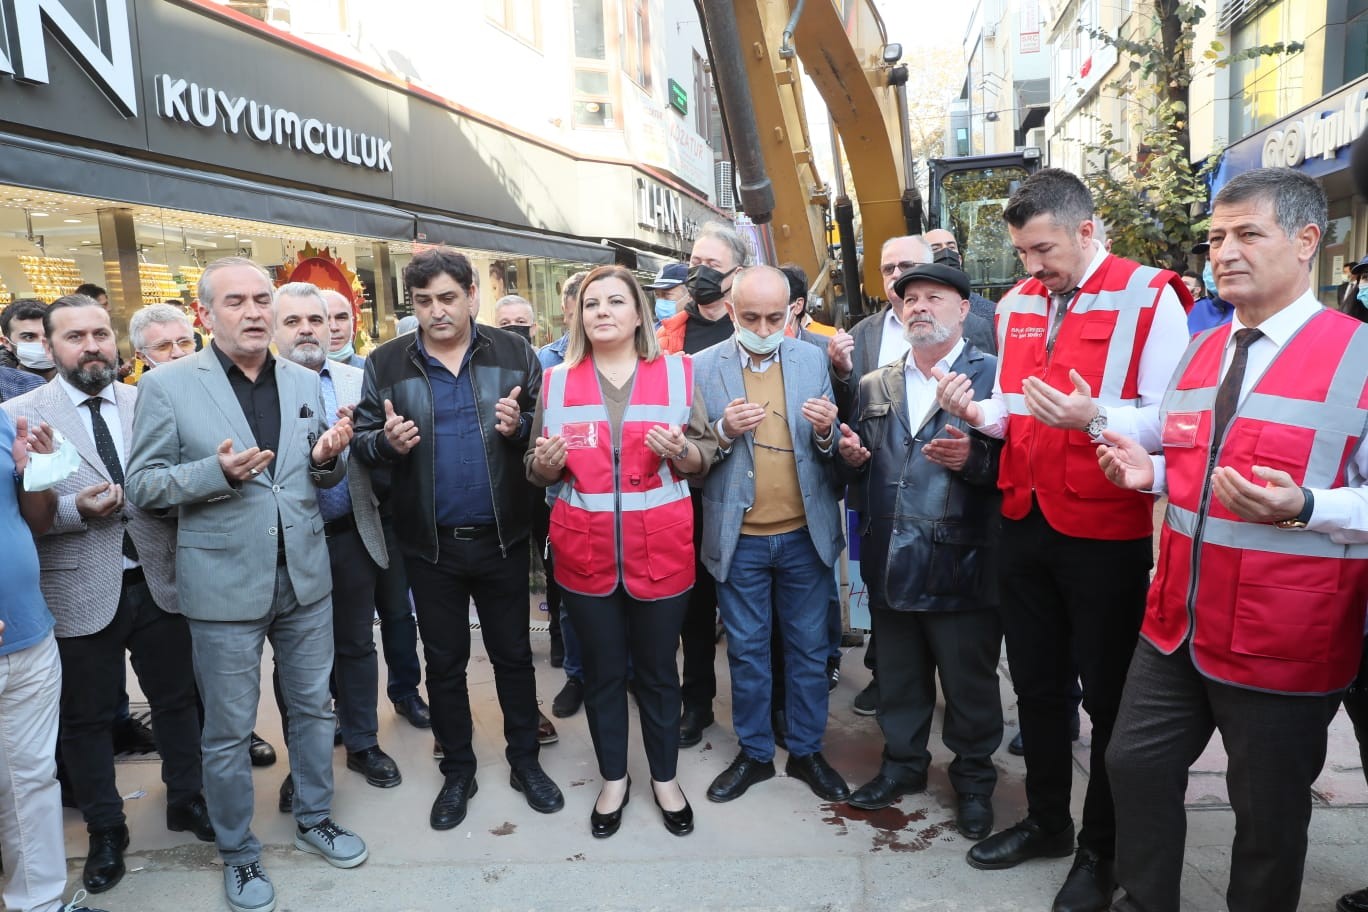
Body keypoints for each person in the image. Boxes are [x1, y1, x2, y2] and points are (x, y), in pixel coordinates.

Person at [1098, 167, 1368, 912]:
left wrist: (1309, 503)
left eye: (1248, 234)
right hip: (1177, 618)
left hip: (1285, 631)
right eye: (1216, 236)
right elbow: (1193, 455)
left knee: (1269, 813)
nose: (1224, 252)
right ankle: (1144, 898)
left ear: (1307, 240)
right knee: (1134, 763)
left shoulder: (1359, 355)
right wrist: (1147, 472)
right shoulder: (1206, 346)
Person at [935, 167, 1190, 912]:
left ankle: (1101, 851)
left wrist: (1094, 417)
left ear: (1085, 229)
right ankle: (1047, 821)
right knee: (1039, 689)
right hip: (1025, 518)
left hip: (1102, 529)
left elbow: (1170, 417)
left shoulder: (1150, 296)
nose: (1031, 267)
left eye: (1042, 249)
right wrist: (977, 411)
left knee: (1109, 701)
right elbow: (1016, 407)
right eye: (1021, 253)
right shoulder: (1017, 302)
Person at [126, 256, 367, 912]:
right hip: (223, 583)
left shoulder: (299, 377)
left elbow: (313, 476)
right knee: (229, 729)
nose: (254, 312)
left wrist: (327, 460)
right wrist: (214, 474)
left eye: (262, 299)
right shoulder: (169, 385)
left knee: (315, 709)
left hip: (306, 577)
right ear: (205, 315)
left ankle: (315, 816)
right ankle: (237, 851)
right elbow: (142, 486)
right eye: (236, 302)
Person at [2, 295, 211, 895]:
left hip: (158, 578)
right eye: (75, 337)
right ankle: (105, 829)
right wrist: (75, 508)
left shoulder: (146, 398)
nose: (92, 346)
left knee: (178, 700)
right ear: (46, 343)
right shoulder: (20, 413)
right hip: (76, 585)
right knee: (88, 719)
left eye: (100, 334)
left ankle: (187, 800)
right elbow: (20, 513)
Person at [350, 247, 563, 832]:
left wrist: (519, 429)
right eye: (423, 302)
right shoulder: (388, 361)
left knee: (514, 657)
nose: (437, 312)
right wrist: (386, 443)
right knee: (442, 664)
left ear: (472, 294)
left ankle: (524, 761)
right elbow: (363, 443)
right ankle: (459, 770)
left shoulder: (515, 351)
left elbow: (548, 434)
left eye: (448, 298)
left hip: (501, 537)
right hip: (429, 544)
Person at [526, 265, 713, 837]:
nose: (602, 311)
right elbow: (535, 469)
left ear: (639, 313)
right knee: (605, 675)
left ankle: (664, 778)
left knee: (658, 674)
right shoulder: (555, 381)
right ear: (578, 317)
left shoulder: (678, 373)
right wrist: (545, 466)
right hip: (586, 557)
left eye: (615, 301)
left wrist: (684, 451)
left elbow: (705, 455)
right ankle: (614, 779)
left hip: (662, 551)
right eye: (591, 304)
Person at [837, 262, 1004, 841]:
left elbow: (1020, 468)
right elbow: (860, 465)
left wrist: (977, 462)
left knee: (969, 687)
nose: (919, 307)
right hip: (889, 559)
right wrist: (851, 459)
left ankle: (975, 783)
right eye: (909, 298)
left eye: (935, 297)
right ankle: (902, 767)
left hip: (963, 561)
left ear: (965, 311)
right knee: (900, 681)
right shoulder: (874, 384)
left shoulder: (994, 379)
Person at [694, 265, 851, 805]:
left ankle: (807, 750)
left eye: (775, 317)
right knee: (747, 652)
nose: (763, 327)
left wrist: (828, 431)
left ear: (793, 311)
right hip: (739, 540)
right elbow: (691, 456)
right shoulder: (700, 368)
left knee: (810, 650)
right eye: (751, 317)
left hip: (805, 535)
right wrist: (721, 431)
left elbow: (827, 453)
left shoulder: (810, 358)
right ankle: (756, 753)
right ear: (731, 311)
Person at [271, 283, 400, 800]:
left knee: (354, 644)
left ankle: (364, 742)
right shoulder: (262, 387)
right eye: (293, 321)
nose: (307, 329)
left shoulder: (359, 378)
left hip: (350, 534)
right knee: (294, 655)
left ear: (333, 327)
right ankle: (304, 758)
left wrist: (375, 442)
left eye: (316, 320)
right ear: (275, 329)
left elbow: (381, 453)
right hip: (289, 543)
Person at [1, 409, 111, 912]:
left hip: (29, 636)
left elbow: (36, 521)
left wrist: (35, 476)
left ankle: (39, 903)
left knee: (31, 782)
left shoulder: (5, 425)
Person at [827, 234, 937, 718]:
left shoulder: (976, 327)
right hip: (874, 483)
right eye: (888, 268)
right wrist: (841, 372)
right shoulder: (863, 332)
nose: (896, 276)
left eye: (907, 266)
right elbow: (848, 407)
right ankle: (882, 672)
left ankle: (946, 677)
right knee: (872, 583)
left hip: (944, 483)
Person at [658, 222, 751, 748]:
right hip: (687, 484)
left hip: (743, 485)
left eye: (713, 265)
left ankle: (762, 704)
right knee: (693, 606)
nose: (700, 273)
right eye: (695, 261)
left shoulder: (754, 328)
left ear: (737, 273)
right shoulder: (668, 333)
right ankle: (697, 704)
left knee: (746, 601)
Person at [540, 271, 591, 714]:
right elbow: (533, 435)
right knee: (574, 600)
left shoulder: (650, 368)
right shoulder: (549, 366)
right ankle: (578, 676)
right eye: (588, 307)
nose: (597, 317)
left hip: (631, 509)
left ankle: (626, 672)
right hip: (568, 503)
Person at [925, 228, 998, 344]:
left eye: (951, 247)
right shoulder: (914, 311)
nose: (946, 253)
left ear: (959, 259)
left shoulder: (991, 312)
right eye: (935, 249)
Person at [2, 300, 56, 381]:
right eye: (29, 337)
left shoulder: (78, 379)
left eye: (48, 335)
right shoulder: (5, 387)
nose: (42, 344)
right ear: (7, 343)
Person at [322, 289, 366, 368]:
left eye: (341, 318)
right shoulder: (295, 375)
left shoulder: (374, 371)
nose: (333, 327)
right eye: (324, 319)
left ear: (352, 323)